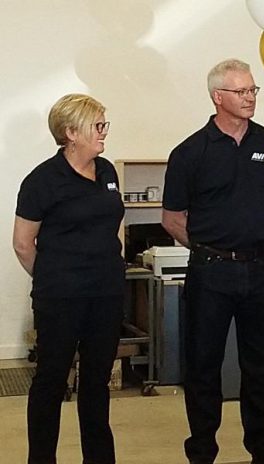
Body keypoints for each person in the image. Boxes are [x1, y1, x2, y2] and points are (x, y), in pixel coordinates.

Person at [161, 58, 264, 464]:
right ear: (218, 97)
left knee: (261, 367)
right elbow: (173, 219)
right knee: (203, 366)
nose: (251, 97)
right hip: (210, 274)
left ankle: (263, 450)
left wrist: (250, 238)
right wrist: (210, 249)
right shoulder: (189, 152)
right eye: (242, 91)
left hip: (259, 271)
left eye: (253, 90)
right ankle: (202, 452)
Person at [13, 94, 125, 464]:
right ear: (71, 132)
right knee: (51, 381)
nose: (104, 132)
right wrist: (54, 279)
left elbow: (111, 226)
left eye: (103, 124)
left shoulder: (106, 170)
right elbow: (23, 244)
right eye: (98, 125)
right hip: (60, 299)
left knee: (97, 384)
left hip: (105, 296)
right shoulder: (42, 181)